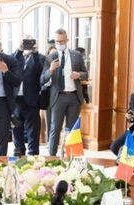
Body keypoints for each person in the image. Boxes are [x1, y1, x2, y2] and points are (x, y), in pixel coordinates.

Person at [41, 28, 89, 156]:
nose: (59, 44)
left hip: (74, 97)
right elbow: (42, 79)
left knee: (72, 130)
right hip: (58, 97)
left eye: (62, 41)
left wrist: (79, 74)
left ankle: (71, 157)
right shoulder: (50, 57)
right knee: (55, 127)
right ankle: (52, 157)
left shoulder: (76, 55)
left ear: (67, 40)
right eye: (57, 41)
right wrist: (50, 70)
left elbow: (86, 74)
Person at [12, 35, 45, 156]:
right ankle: (19, 150)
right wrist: (19, 49)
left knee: (33, 129)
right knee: (16, 126)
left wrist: (35, 53)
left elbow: (40, 71)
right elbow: (11, 62)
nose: (27, 45)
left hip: (31, 99)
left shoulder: (40, 57)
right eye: (25, 43)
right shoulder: (16, 56)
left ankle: (33, 152)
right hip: (16, 99)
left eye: (29, 43)